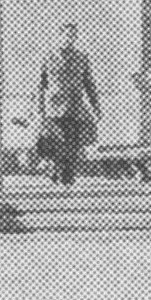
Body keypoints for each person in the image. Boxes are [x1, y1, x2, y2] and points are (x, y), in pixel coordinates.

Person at [36, 22, 102, 186]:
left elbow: (89, 84)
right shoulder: (48, 57)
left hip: (75, 105)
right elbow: (40, 85)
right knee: (55, 139)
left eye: (72, 36)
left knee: (73, 141)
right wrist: (39, 108)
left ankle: (67, 172)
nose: (69, 39)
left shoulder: (82, 58)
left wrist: (96, 107)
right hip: (54, 106)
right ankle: (55, 168)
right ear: (59, 36)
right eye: (66, 35)